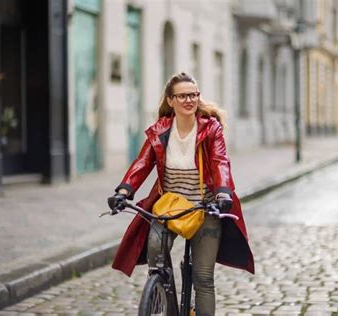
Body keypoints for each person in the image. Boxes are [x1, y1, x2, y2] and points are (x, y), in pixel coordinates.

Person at [108, 72, 254, 314]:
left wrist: (223, 193)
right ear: (170, 100)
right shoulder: (160, 130)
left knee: (203, 277)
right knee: (157, 264)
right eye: (183, 96)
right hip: (169, 207)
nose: (189, 100)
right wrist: (124, 190)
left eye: (194, 95)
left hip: (205, 207)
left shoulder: (210, 129)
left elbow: (220, 162)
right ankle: (164, 298)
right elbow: (142, 162)